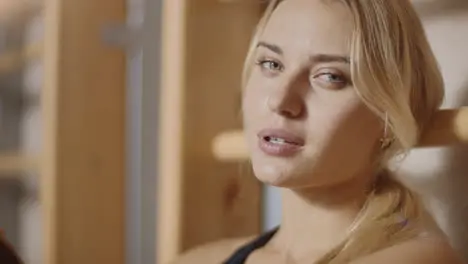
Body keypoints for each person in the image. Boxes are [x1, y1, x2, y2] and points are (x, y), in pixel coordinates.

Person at [172, 0, 464, 263]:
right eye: (271, 64)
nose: (280, 101)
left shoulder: (421, 259)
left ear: (388, 116)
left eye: (330, 77)